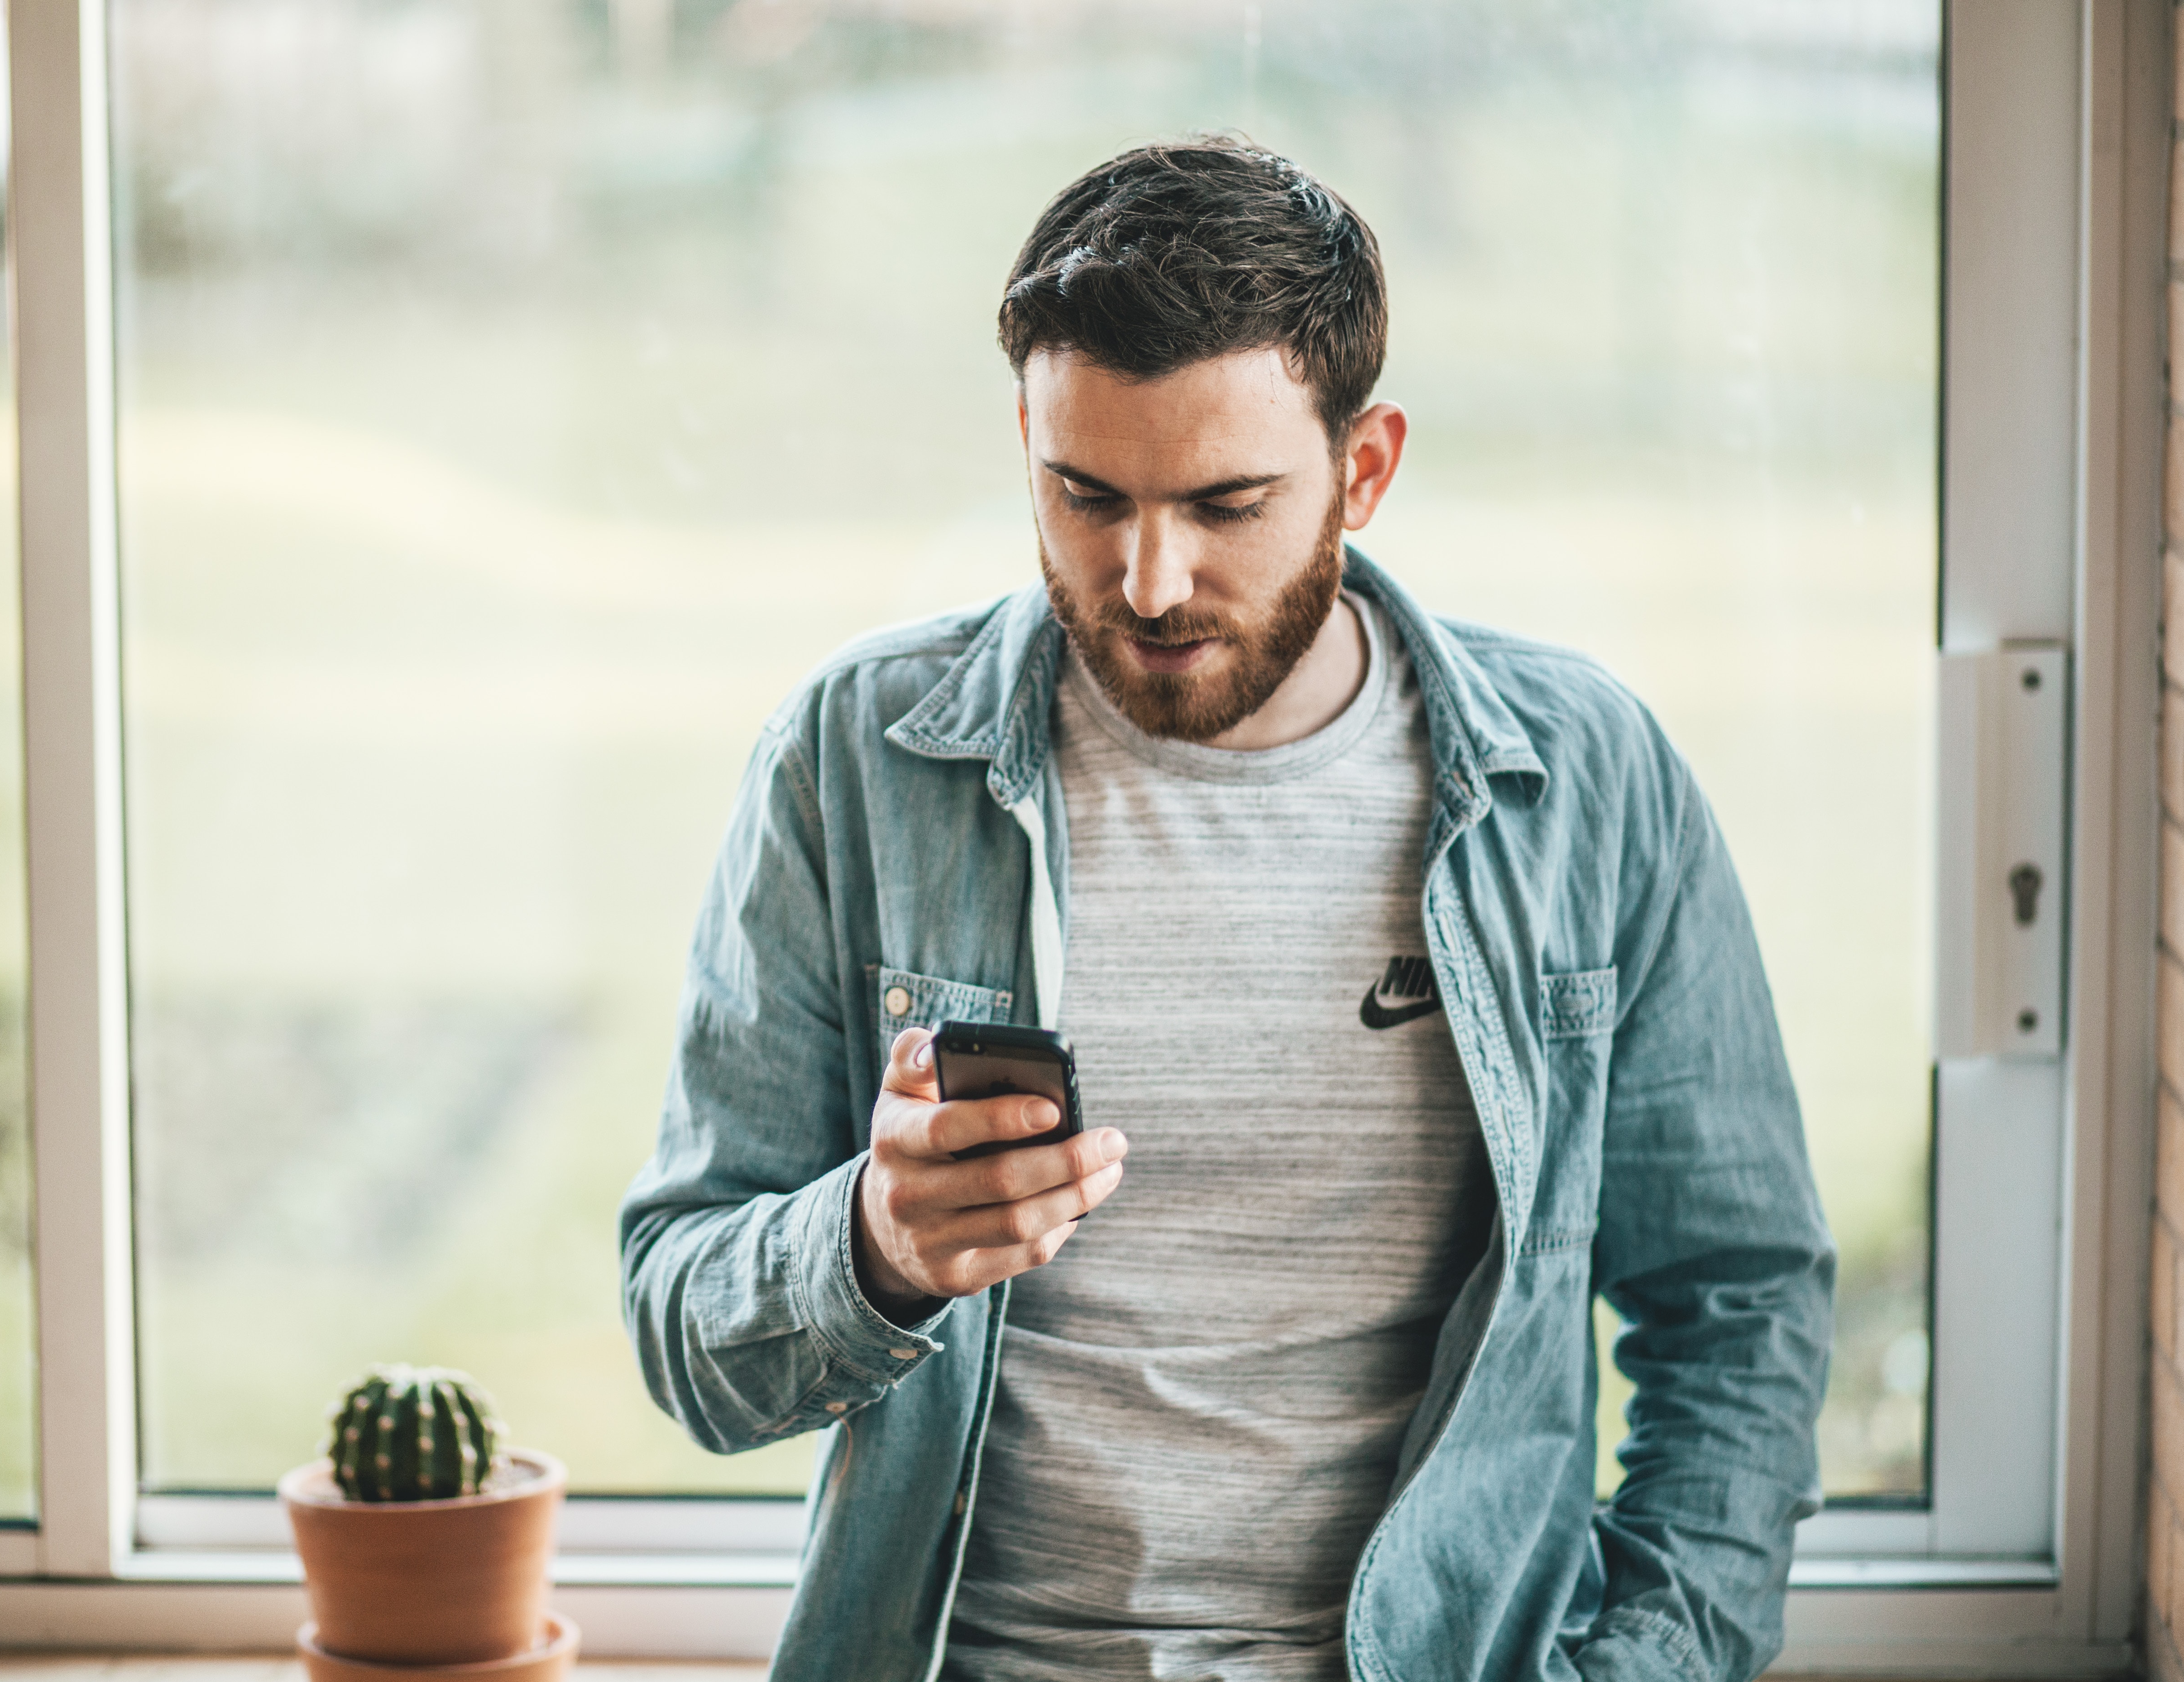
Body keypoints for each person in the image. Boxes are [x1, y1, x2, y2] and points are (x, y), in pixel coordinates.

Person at [620, 138, 1834, 1682]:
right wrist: (872, 1245)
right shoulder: (853, 760)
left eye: (1226, 503)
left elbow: (1736, 1303)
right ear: (1024, 441)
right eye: (1084, 494)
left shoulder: (1588, 784)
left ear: (1365, 469)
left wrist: (1651, 1664)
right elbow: (684, 1328)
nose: (1144, 579)